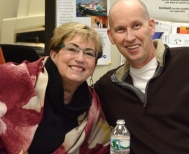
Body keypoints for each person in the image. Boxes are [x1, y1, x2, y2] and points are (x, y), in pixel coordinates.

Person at [94, 0, 189, 154]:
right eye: (120, 29)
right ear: (111, 36)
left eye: (136, 25)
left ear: (151, 26)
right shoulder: (108, 87)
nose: (130, 37)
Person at [0, 22, 112, 153]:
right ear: (53, 54)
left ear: (94, 65)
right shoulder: (14, 78)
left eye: (89, 53)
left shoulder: (92, 106)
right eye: (71, 49)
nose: (80, 58)